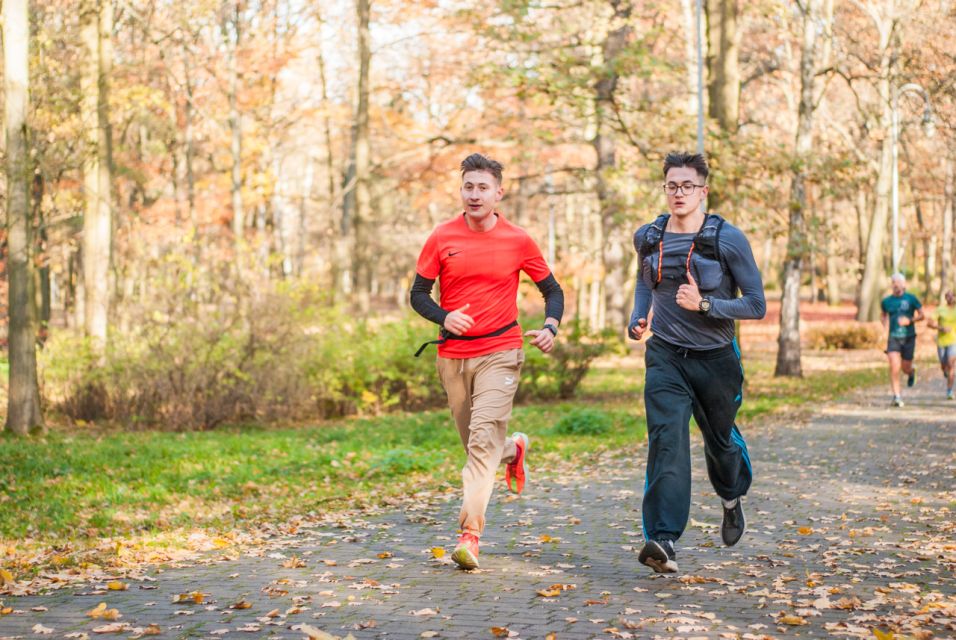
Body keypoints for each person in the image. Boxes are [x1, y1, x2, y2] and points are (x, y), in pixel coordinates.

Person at [410, 153, 564, 570]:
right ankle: (513, 451)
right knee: (478, 445)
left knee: (480, 445)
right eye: (468, 187)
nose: (474, 194)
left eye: (483, 188)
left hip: (502, 351)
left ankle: (469, 536)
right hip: (453, 357)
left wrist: (550, 326)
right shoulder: (442, 237)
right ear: (461, 191)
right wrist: (445, 316)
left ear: (499, 193)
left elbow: (553, 291)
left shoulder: (518, 240)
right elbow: (418, 295)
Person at [627, 151, 766, 574]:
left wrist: (705, 304)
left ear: (703, 191)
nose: (679, 193)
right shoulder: (648, 236)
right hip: (666, 355)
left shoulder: (728, 239)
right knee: (666, 440)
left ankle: (730, 496)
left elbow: (756, 305)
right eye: (672, 185)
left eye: (688, 186)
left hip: (717, 360)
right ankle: (663, 538)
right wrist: (639, 315)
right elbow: (643, 281)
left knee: (720, 443)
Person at [880, 273, 923, 407]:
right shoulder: (886, 301)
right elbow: (883, 315)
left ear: (904, 284)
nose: (896, 285)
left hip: (909, 337)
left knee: (905, 367)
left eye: (898, 282)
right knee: (894, 366)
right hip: (893, 337)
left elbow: (922, 315)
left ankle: (911, 372)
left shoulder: (911, 299)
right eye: (893, 282)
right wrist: (884, 326)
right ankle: (896, 396)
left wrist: (909, 320)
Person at [928, 290, 956, 399]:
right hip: (941, 341)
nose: (950, 298)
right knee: (944, 365)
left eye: (952, 296)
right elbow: (929, 323)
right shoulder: (940, 309)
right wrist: (940, 328)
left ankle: (949, 390)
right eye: (947, 296)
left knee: (951, 364)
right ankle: (945, 370)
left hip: (954, 341)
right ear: (945, 298)